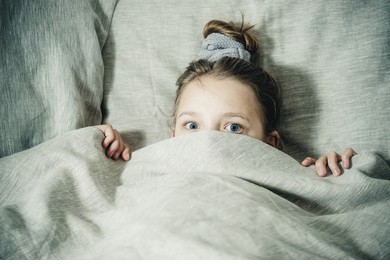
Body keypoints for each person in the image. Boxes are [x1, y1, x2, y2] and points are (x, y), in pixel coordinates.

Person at [95, 19, 356, 177]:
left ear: (271, 143)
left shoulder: (293, 181)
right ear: (173, 136)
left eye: (234, 128)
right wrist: (98, 149)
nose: (208, 142)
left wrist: (337, 174)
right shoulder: (148, 170)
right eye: (192, 126)